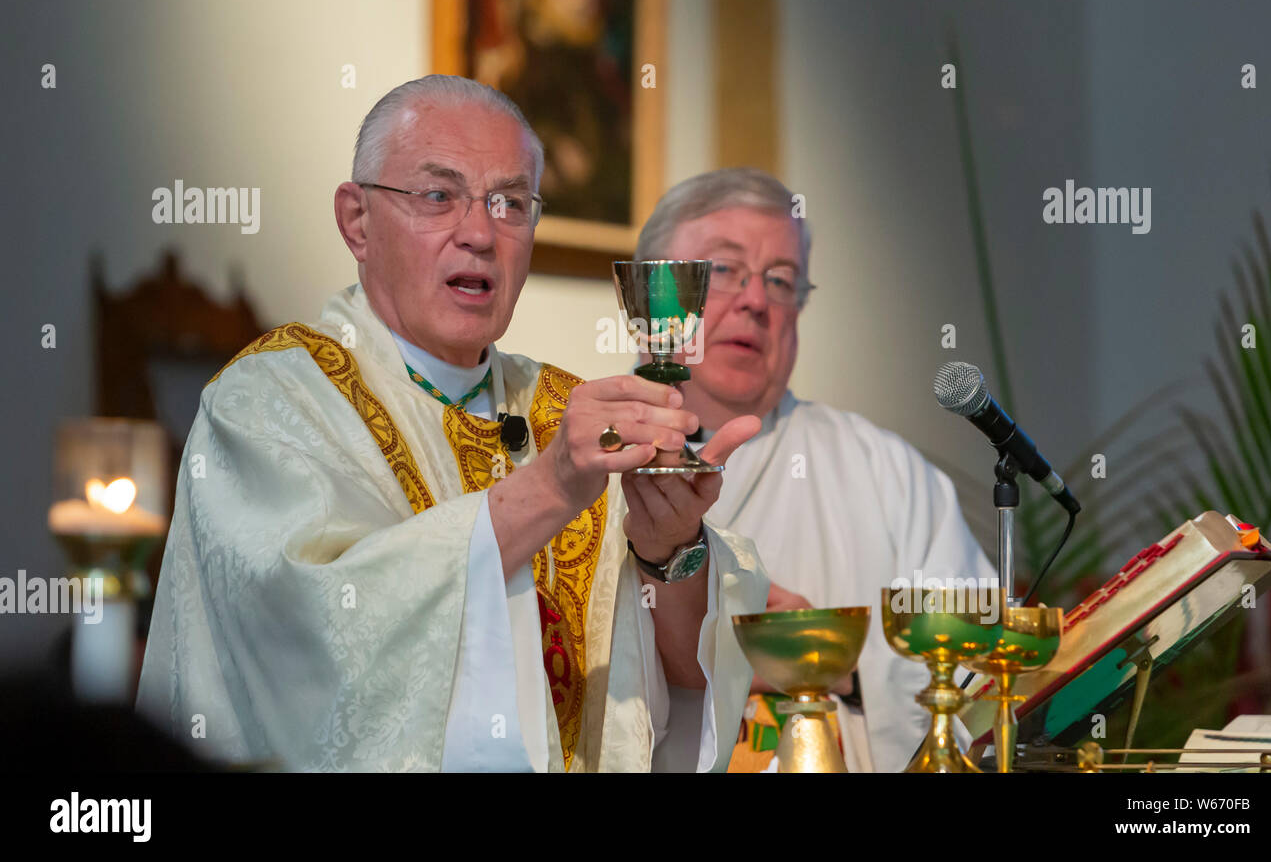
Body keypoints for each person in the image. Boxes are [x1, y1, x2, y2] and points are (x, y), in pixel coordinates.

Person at [136, 76, 768, 772]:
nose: (479, 234)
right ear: (357, 221)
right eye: (438, 196)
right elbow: (314, 644)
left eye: (510, 204)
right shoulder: (271, 401)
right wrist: (552, 487)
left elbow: (689, 683)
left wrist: (670, 549)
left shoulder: (567, 408)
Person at [635, 167, 996, 773]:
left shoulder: (883, 472)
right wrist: (701, 653)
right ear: (652, 292)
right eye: (724, 270)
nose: (755, 301)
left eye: (781, 280)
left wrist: (837, 663)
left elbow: (980, 671)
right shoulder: (585, 456)